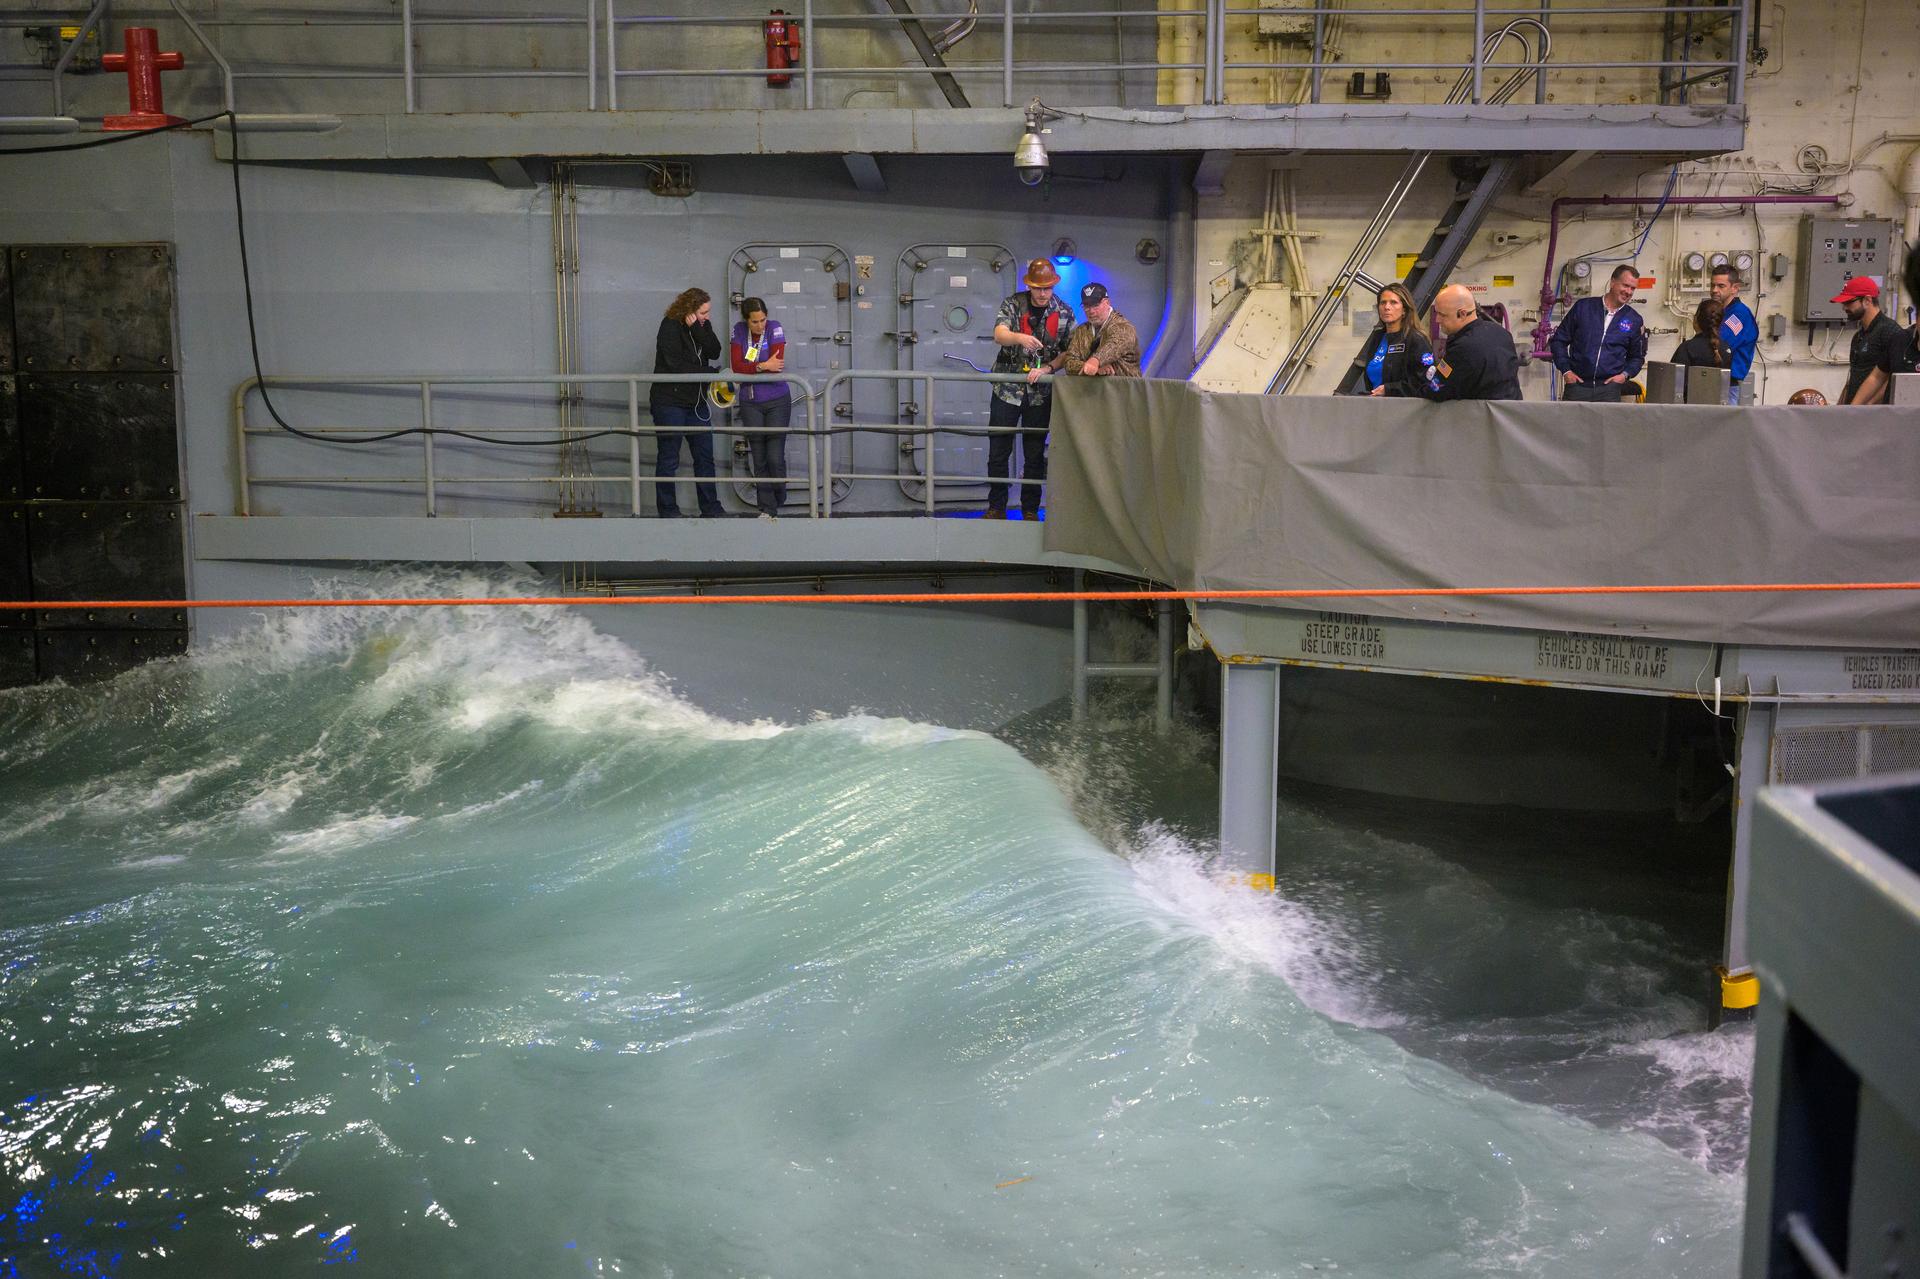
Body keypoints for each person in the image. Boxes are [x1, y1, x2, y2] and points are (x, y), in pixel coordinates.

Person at [986, 258, 1077, 519]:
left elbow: (1069, 351)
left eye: (1047, 288)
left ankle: (1029, 510)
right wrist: (1019, 337)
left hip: (1040, 394)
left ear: (1053, 287)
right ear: (1030, 286)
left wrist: (1048, 368)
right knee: (998, 451)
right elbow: (999, 334)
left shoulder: (1065, 312)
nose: (1042, 293)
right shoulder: (1014, 304)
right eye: (1037, 288)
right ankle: (996, 507)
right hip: (1006, 389)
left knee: (1035, 454)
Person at [650, 287, 724, 518]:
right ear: (689, 310)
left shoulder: (701, 326)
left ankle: (711, 508)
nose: (707, 317)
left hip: (696, 403)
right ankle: (668, 510)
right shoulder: (670, 325)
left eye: (708, 312)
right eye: (703, 313)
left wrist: (697, 327)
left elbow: (715, 351)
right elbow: (675, 364)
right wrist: (710, 373)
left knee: (704, 457)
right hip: (670, 401)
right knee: (669, 458)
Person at [1548, 264, 1648, 403]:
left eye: (1633, 288)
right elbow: (1559, 340)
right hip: (1577, 386)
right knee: (1570, 425)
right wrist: (1566, 371)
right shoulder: (1583, 308)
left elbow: (1637, 357)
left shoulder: (1634, 319)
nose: (1629, 292)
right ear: (1613, 282)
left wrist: (1624, 376)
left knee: (1606, 426)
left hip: (1609, 391)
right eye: (1625, 285)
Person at [730, 297, 791, 518]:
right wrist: (763, 365)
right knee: (759, 456)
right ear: (746, 320)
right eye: (754, 322)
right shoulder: (738, 331)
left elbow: (779, 363)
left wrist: (753, 369)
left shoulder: (775, 327)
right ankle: (767, 508)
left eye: (762, 320)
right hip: (751, 401)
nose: (760, 325)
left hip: (777, 399)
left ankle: (779, 496)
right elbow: (736, 367)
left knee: (775, 456)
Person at [1416, 284, 1522, 401]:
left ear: (1462, 314)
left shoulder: (1462, 348)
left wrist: (1421, 390)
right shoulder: (1502, 333)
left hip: (1481, 415)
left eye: (1442, 315)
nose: (1437, 320)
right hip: (1511, 413)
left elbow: (1438, 389)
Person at [1347, 281, 1434, 397]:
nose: (1387, 307)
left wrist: (1389, 389)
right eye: (1383, 303)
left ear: (1404, 310)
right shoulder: (1377, 337)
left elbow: (1426, 381)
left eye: (1393, 302)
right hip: (1377, 406)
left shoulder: (1416, 339)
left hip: (1404, 408)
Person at [1041, 283, 1141, 379]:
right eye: (1086, 306)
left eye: (1096, 305)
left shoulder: (1123, 326)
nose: (1091, 311)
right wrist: (1089, 368)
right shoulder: (1082, 330)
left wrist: (1096, 361)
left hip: (1125, 393)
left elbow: (1115, 344)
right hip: (1093, 394)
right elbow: (1069, 361)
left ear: (1107, 303)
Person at [1831, 276, 1903, 405]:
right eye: (1843, 303)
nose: (1844, 308)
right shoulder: (1858, 337)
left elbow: (1891, 380)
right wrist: (1840, 407)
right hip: (1856, 409)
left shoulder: (1891, 332)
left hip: (1873, 413)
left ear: (1867, 300)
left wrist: (1869, 405)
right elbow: (1853, 376)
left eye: (1849, 302)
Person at [1709, 264, 1757, 404]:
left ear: (1734, 288)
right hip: (1712, 380)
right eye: (1712, 285)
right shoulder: (1720, 311)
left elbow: (1720, 344)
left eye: (1721, 286)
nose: (1714, 290)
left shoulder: (1738, 315)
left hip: (1727, 384)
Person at [1668, 299, 1729, 368]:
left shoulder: (1687, 349)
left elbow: (1673, 376)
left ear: (1696, 319)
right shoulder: (1726, 348)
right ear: (1720, 323)